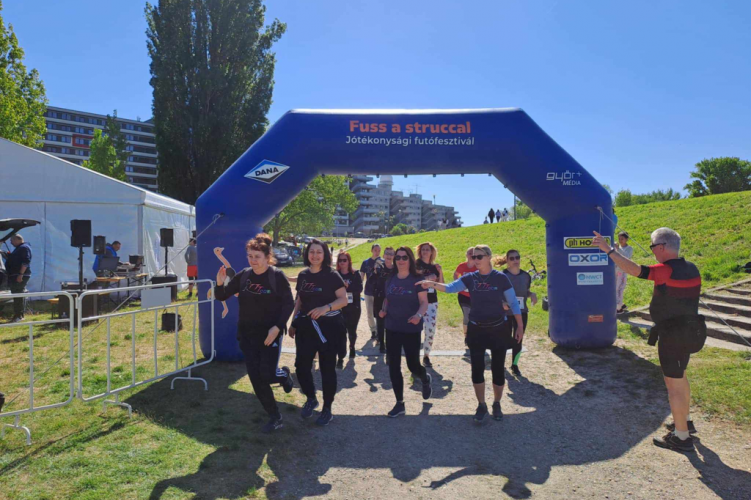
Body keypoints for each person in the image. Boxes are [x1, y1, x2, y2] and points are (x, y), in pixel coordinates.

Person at [593, 228, 702, 452]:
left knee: (673, 385)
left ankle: (681, 437)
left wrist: (608, 250)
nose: (652, 251)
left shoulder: (667, 270)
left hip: (673, 335)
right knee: (681, 377)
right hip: (690, 332)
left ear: (661, 247)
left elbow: (635, 270)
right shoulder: (692, 268)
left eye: (652, 246)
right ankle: (685, 421)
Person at [418, 244, 523, 422]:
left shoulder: (501, 278)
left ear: (488, 257)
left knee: (498, 369)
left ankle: (497, 403)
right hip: (476, 329)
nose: (475, 260)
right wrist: (431, 284)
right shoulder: (470, 278)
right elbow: (450, 288)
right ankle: (481, 405)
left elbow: (513, 303)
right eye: (473, 257)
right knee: (477, 369)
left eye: (479, 257)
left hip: (498, 329)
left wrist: (519, 326)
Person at [214, 233, 295, 434]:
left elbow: (288, 304)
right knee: (256, 379)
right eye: (250, 256)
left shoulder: (276, 276)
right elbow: (222, 296)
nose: (253, 260)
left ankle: (283, 375)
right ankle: (275, 416)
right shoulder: (244, 276)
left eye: (257, 256)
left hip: (270, 334)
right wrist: (219, 283)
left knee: (267, 374)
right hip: (247, 334)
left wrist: (277, 327)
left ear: (267, 256)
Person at [289, 239, 348, 426]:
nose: (315, 255)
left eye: (319, 252)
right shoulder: (303, 275)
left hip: (329, 328)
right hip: (306, 327)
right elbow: (299, 299)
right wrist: (293, 321)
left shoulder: (332, 275)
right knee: (301, 366)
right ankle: (311, 398)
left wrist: (325, 308)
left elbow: (343, 300)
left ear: (325, 255)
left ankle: (327, 409)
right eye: (312, 252)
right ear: (307, 254)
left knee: (327, 368)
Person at [379, 246, 432, 417]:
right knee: (393, 365)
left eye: (404, 257)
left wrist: (418, 315)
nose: (400, 260)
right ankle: (399, 403)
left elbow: (424, 302)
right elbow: (387, 299)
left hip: (411, 328)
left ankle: (424, 377)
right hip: (392, 327)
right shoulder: (390, 278)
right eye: (398, 257)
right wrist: (383, 310)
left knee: (412, 365)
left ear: (410, 259)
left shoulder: (417, 279)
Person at [498, 249, 537, 377]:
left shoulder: (526, 276)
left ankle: (514, 365)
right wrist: (502, 303)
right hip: (506, 313)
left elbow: (526, 292)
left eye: (517, 257)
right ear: (507, 261)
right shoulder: (502, 276)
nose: (515, 260)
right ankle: (500, 364)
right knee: (504, 339)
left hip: (521, 312)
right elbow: (494, 294)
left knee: (518, 338)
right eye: (512, 258)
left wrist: (532, 294)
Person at [415, 242, 444, 368]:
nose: (425, 252)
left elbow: (442, 285)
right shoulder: (416, 264)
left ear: (432, 252)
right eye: (423, 249)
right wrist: (427, 278)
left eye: (427, 249)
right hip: (416, 302)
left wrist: (440, 272)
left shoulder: (434, 267)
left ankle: (426, 355)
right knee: (415, 329)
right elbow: (413, 281)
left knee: (430, 330)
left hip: (432, 302)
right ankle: (414, 355)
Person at [335, 251, 363, 366]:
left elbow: (359, 289)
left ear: (349, 261)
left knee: (352, 332)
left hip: (353, 307)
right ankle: (340, 357)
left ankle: (352, 346)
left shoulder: (355, 274)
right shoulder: (335, 274)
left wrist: (348, 287)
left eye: (344, 260)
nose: (342, 262)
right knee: (340, 333)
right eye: (340, 260)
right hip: (339, 308)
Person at [2, 235, 32, 322]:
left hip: (20, 275)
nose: (11, 243)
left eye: (11, 240)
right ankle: (18, 315)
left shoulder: (24, 247)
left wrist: (21, 274)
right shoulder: (19, 248)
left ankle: (19, 316)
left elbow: (26, 261)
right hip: (15, 275)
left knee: (18, 295)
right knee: (16, 295)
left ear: (16, 239)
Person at [372, 247, 396, 353]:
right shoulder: (379, 267)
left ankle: (390, 342)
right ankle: (382, 343)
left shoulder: (396, 269)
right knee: (380, 321)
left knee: (391, 321)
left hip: (392, 298)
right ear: (383, 255)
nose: (389, 256)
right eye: (387, 253)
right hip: (379, 297)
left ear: (394, 256)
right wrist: (374, 271)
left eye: (391, 254)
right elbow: (371, 281)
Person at [360, 244, 384, 339]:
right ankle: (373, 330)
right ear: (372, 250)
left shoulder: (382, 262)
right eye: (375, 250)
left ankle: (379, 331)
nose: (377, 252)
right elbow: (362, 276)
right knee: (369, 313)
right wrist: (358, 287)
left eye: (379, 250)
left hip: (379, 292)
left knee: (379, 313)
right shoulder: (365, 262)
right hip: (368, 291)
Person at [453, 247, 476, 335]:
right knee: (467, 315)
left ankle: (474, 334)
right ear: (466, 255)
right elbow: (456, 274)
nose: (472, 255)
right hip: (463, 295)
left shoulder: (478, 266)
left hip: (475, 296)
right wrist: (457, 284)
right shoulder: (462, 266)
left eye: (473, 253)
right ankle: (466, 335)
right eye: (470, 253)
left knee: (475, 316)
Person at [614, 232, 634, 314]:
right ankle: (620, 305)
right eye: (619, 239)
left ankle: (619, 308)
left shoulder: (629, 248)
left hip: (622, 271)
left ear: (626, 239)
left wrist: (618, 249)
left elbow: (626, 257)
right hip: (615, 271)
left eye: (622, 239)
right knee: (616, 289)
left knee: (619, 289)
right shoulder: (617, 248)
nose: (620, 240)